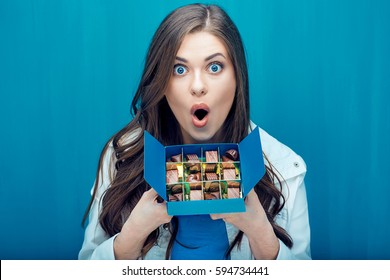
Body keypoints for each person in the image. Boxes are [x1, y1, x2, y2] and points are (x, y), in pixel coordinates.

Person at [78, 3, 311, 260]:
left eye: (214, 67)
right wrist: (129, 239)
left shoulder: (285, 168)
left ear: (237, 78)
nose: (198, 86)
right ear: (162, 83)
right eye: (179, 69)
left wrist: (263, 238)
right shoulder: (122, 156)